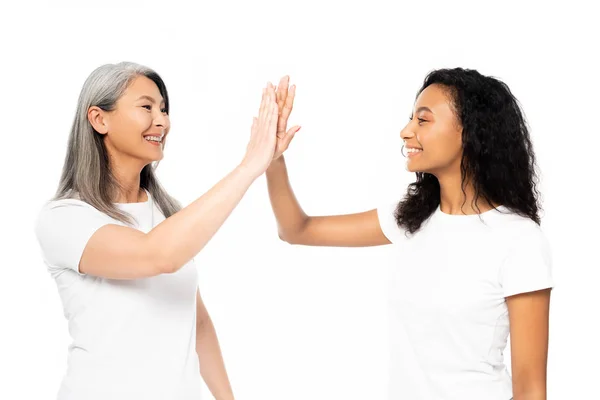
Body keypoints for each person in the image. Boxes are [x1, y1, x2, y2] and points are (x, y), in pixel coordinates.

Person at [267, 69, 553, 400]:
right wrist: (273, 159)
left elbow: (531, 388)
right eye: (411, 119)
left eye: (423, 120)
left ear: (470, 132)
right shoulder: (410, 218)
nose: (406, 132)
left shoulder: (519, 240)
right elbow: (296, 230)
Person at [34, 61, 281, 400]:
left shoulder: (168, 214)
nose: (162, 120)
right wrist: (250, 165)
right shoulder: (65, 218)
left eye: (164, 109)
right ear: (99, 119)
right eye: (147, 106)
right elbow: (155, 255)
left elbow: (198, 323)